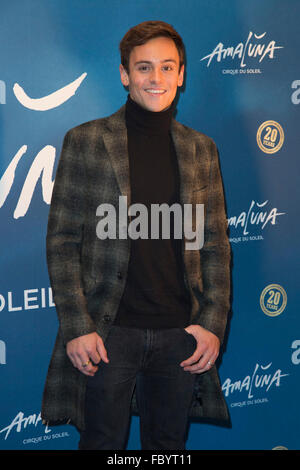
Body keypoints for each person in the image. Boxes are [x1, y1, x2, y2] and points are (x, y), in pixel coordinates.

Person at [41, 20, 231, 450]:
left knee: (167, 450)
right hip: (108, 336)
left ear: (181, 75)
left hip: (180, 337)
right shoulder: (86, 142)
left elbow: (216, 245)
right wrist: (77, 328)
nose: (156, 78)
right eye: (144, 68)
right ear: (125, 74)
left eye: (167, 67)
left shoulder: (202, 149)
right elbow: (63, 242)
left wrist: (211, 323)